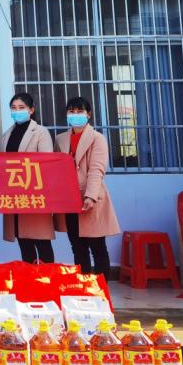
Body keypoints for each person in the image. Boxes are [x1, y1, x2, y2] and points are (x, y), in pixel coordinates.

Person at [55, 96, 120, 277]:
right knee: (77, 246)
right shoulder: (60, 139)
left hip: (91, 197)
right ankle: (83, 285)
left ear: (88, 114)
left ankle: (100, 286)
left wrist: (90, 196)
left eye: (80, 111)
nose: (75, 115)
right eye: (71, 111)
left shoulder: (97, 138)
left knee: (97, 246)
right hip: (69, 200)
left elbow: (97, 169)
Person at [1, 93, 57, 263]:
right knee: (23, 241)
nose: (17, 111)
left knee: (41, 241)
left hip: (34, 194)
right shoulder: (7, 133)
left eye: (21, 107)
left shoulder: (40, 132)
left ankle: (48, 276)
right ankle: (29, 276)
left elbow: (47, 164)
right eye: (13, 108)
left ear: (31, 110)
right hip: (14, 194)